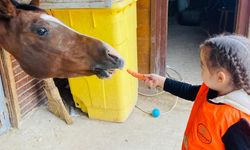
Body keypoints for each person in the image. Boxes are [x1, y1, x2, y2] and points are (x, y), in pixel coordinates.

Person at [143, 34, 250, 150]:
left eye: (202, 66)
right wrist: (161, 81)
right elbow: (190, 92)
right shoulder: (213, 88)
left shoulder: (236, 124)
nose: (201, 69)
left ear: (220, 78)